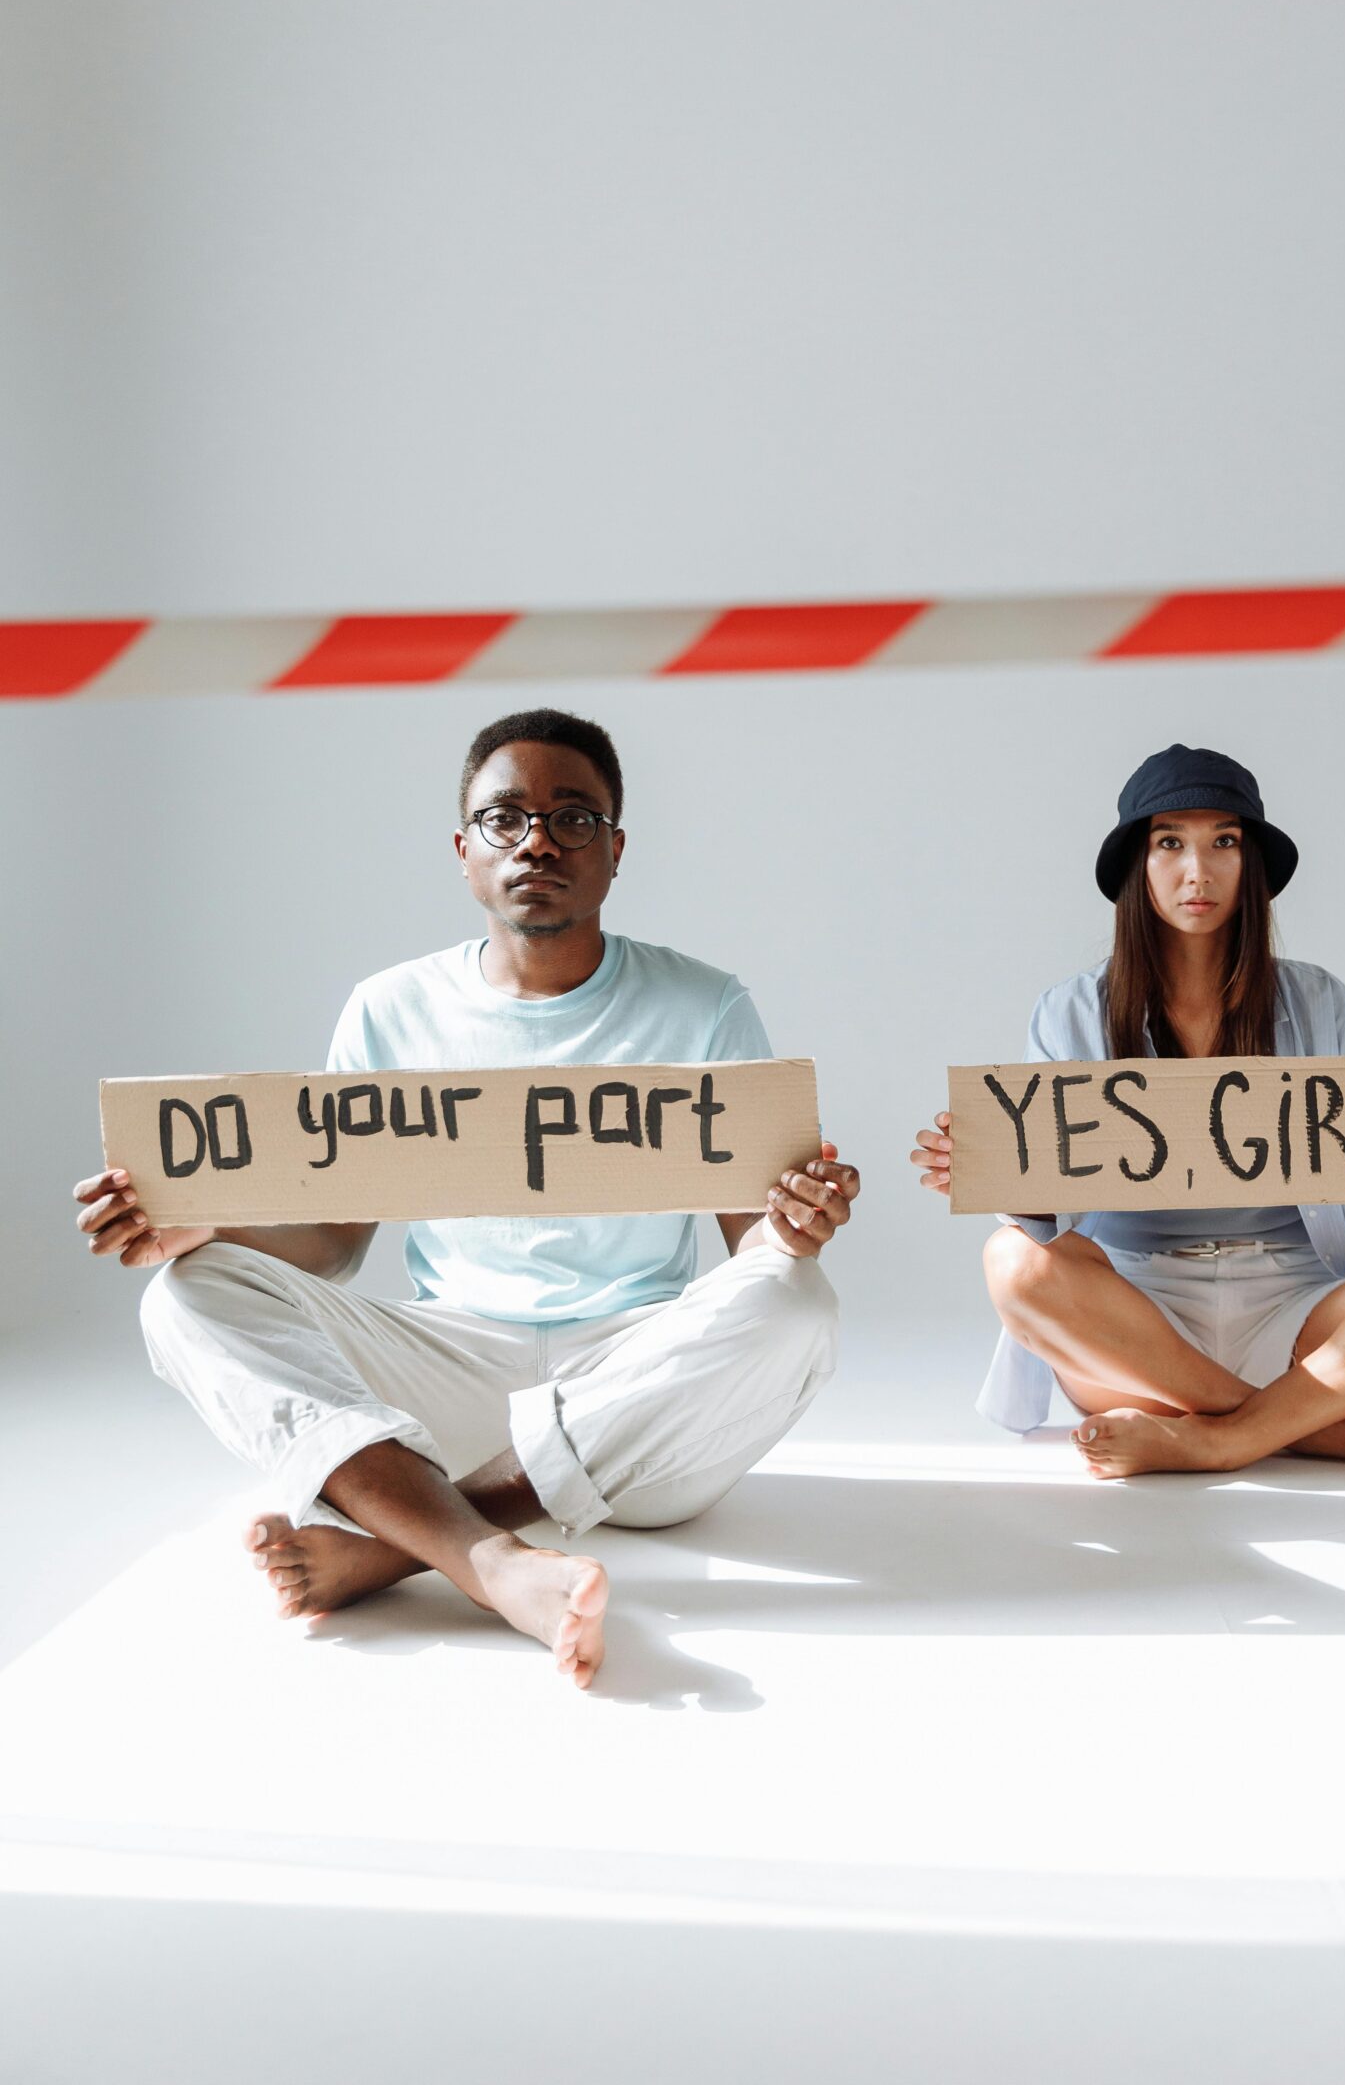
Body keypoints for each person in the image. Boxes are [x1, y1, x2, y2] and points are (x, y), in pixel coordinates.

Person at [74, 707, 856, 1684]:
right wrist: (202, 1225)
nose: (538, 838)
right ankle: (491, 1558)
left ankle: (412, 1540)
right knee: (185, 1291)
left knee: (799, 1303)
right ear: (463, 849)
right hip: (448, 1373)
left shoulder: (704, 1004)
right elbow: (335, 1237)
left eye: (575, 818)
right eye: (506, 817)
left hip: (637, 1388)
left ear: (615, 851)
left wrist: (796, 1225)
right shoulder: (391, 1008)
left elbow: (760, 1255)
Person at [910, 744, 1345, 1479]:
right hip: (1137, 1323)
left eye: (1223, 842)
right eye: (1170, 843)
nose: (1197, 871)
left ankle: (1218, 1436)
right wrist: (997, 1177)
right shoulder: (1070, 1010)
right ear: (1139, 865)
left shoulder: (1317, 1000)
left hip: (1300, 1307)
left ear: (1250, 862)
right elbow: (1048, 1208)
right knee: (1010, 1259)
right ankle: (1308, 1427)